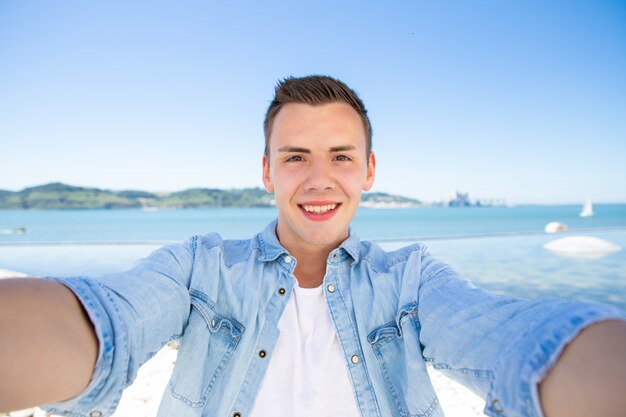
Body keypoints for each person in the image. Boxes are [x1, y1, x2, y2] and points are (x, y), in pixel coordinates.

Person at [1, 75, 625, 417]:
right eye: (295, 156)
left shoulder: (411, 280)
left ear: (369, 171)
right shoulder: (199, 267)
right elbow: (107, 325)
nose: (319, 179)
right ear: (268, 173)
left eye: (341, 157)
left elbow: (511, 342)